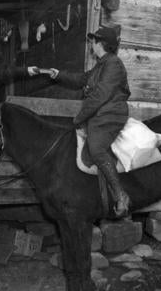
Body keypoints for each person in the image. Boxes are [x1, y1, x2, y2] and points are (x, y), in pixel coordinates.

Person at [46, 26, 131, 216]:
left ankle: (120, 195)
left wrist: (79, 117)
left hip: (111, 114)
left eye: (93, 41)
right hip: (101, 113)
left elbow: (100, 95)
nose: (91, 44)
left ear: (100, 43)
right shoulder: (102, 64)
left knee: (96, 148)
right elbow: (83, 79)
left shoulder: (113, 65)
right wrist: (59, 74)